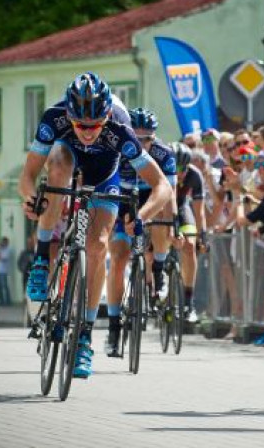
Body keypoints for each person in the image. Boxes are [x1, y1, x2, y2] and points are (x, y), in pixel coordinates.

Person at [19, 72, 171, 378]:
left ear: (106, 117)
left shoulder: (120, 129)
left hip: (105, 177)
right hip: (68, 166)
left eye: (94, 126)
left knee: (98, 246)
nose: (88, 132)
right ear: (69, 116)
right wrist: (29, 197)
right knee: (57, 166)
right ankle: (40, 260)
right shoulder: (54, 118)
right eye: (80, 125)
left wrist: (141, 215)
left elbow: (162, 186)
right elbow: (28, 175)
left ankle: (85, 337)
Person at [105, 107, 177, 358]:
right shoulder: (119, 149)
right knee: (118, 258)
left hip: (151, 196)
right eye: (138, 137)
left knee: (161, 217)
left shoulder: (164, 154)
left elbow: (169, 194)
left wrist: (174, 222)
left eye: (147, 138)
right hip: (122, 196)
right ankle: (113, 327)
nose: (142, 143)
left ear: (154, 137)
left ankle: (158, 269)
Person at [171, 142, 209, 323]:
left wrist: (203, 235)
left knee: (189, 245)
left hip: (182, 208)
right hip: (162, 208)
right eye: (176, 167)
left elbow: (199, 210)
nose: (180, 172)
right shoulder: (161, 170)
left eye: (183, 168)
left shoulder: (195, 175)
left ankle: (188, 301)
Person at [0, 237, 12, 306]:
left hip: (4, 271)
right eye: (2, 242)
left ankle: (7, 301)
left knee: (5, 286)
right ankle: (1, 301)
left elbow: (2, 258)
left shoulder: (8, 250)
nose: (2, 243)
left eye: (4, 242)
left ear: (6, 243)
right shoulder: (0, 249)